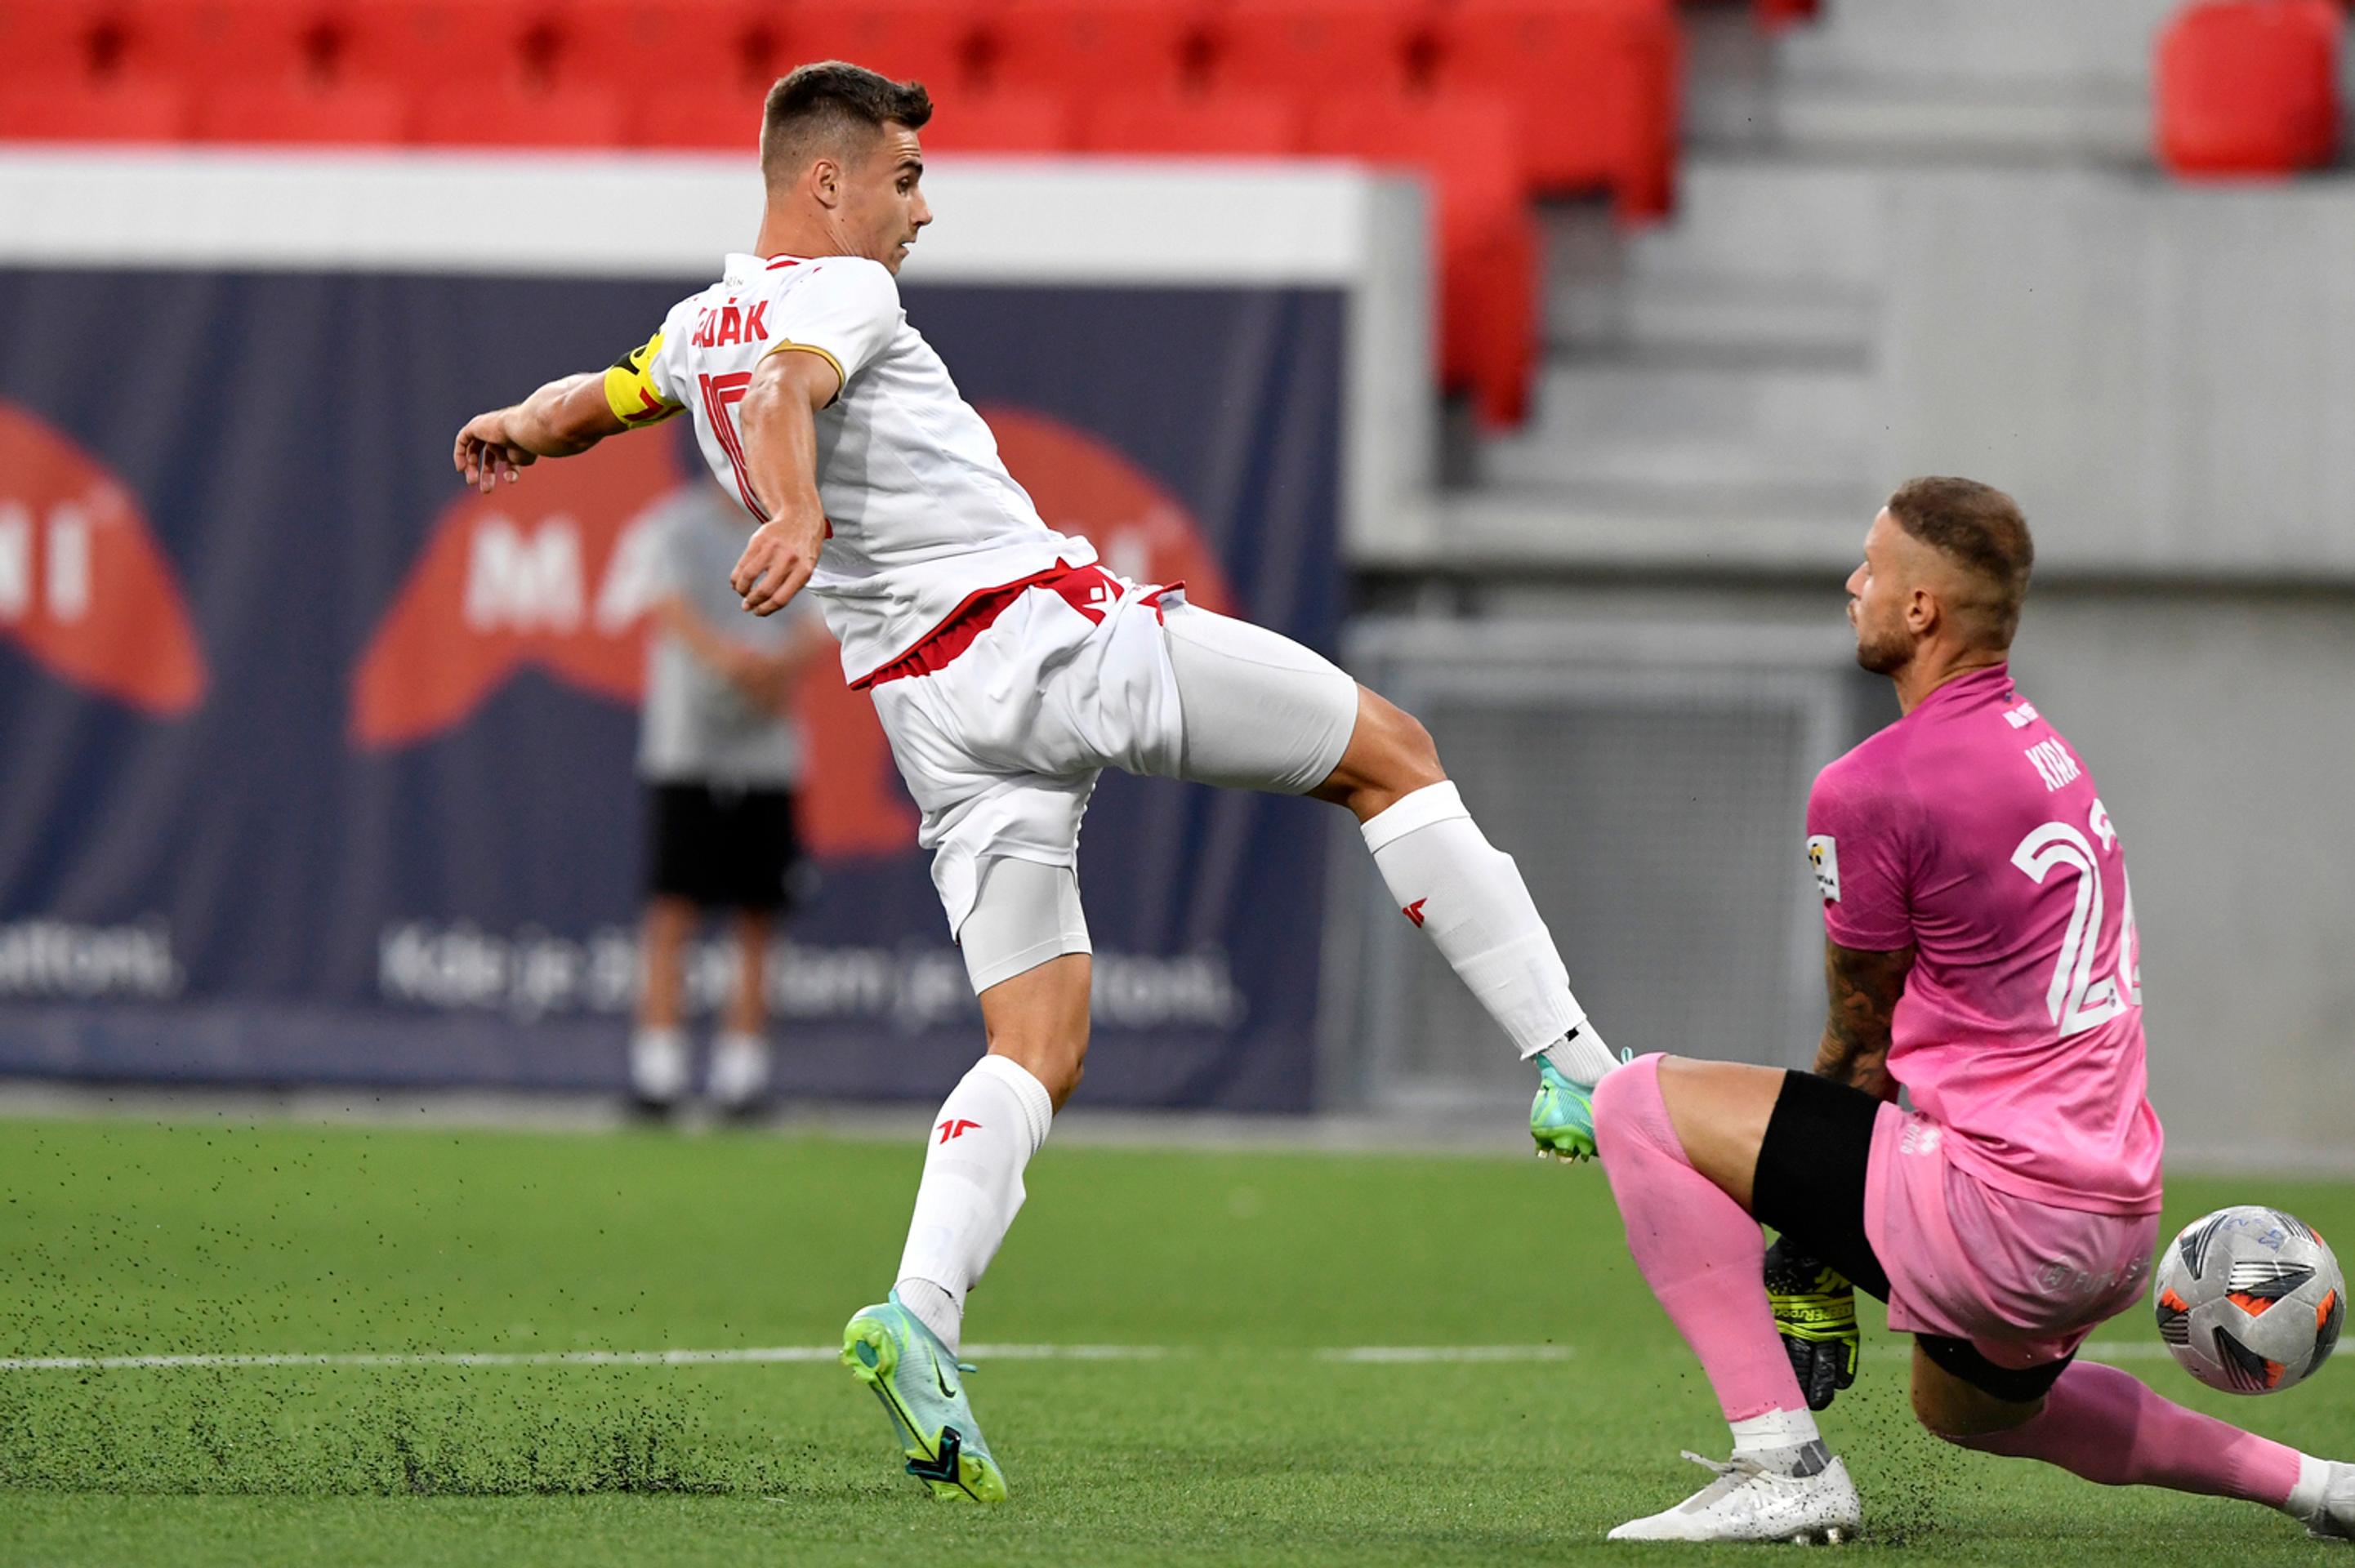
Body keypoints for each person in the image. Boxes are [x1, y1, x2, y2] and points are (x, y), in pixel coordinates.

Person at [448, 60, 1621, 1504]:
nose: (921, 208)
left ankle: (918, 1320)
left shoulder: (698, 326)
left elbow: (599, 401)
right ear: (825, 185)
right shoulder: (841, 297)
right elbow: (792, 396)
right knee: (1390, 754)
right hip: (1042, 641)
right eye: (902, 177)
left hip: (934, 724)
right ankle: (1570, 1064)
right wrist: (801, 501)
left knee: (1038, 1039)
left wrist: (517, 419)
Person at [1588, 477, 2354, 1544]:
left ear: (1918, 611)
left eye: (1870, 565)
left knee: (1633, 1103)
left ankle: (1780, 1464)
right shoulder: (2045, 753)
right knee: (1965, 1414)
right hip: (2114, 1225)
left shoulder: (1870, 786)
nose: (1850, 582)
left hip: (1997, 1220)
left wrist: (1803, 1249)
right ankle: (2321, 1486)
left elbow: (1859, 1040)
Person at [629, 477, 832, 1117]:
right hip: (687, 751)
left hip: (766, 757)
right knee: (673, 910)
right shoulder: (676, 527)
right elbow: (670, 608)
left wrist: (773, 667)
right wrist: (733, 662)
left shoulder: (798, 528)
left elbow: (819, 625)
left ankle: (740, 1078)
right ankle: (657, 1076)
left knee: (756, 915)